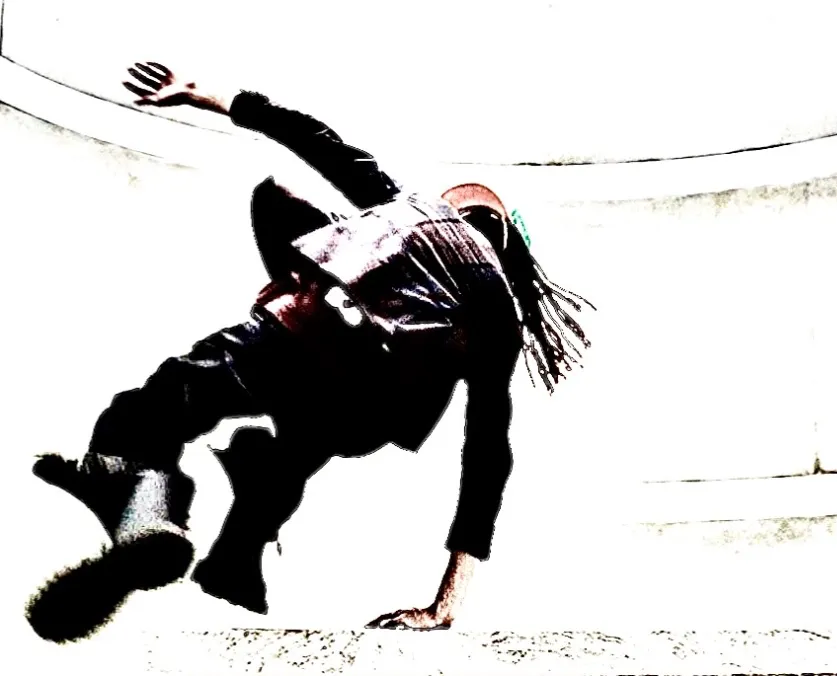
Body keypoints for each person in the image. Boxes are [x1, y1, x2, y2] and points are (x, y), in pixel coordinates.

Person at [25, 61, 594, 642]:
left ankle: (144, 507)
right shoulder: (497, 313)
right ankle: (206, 521)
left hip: (290, 345)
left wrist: (205, 94)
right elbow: (487, 456)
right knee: (291, 450)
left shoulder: (408, 207)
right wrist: (447, 601)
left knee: (159, 404)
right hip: (359, 414)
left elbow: (319, 142)